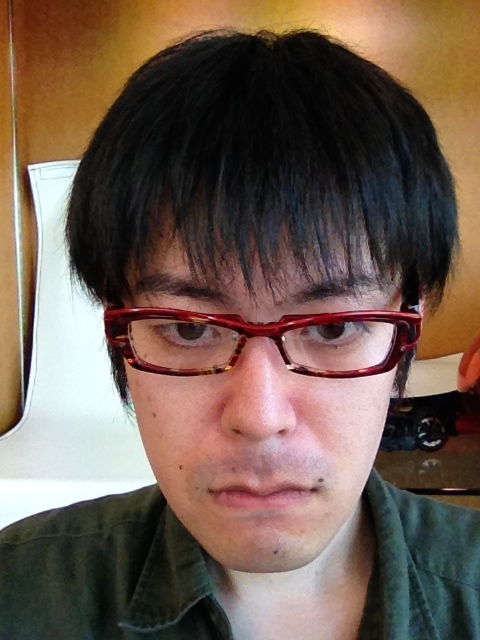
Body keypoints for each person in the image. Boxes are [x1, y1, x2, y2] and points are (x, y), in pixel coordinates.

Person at [1, 28, 479, 640]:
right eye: (188, 328)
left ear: (406, 335)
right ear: (117, 334)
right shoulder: (20, 595)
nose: (259, 417)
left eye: (333, 327)